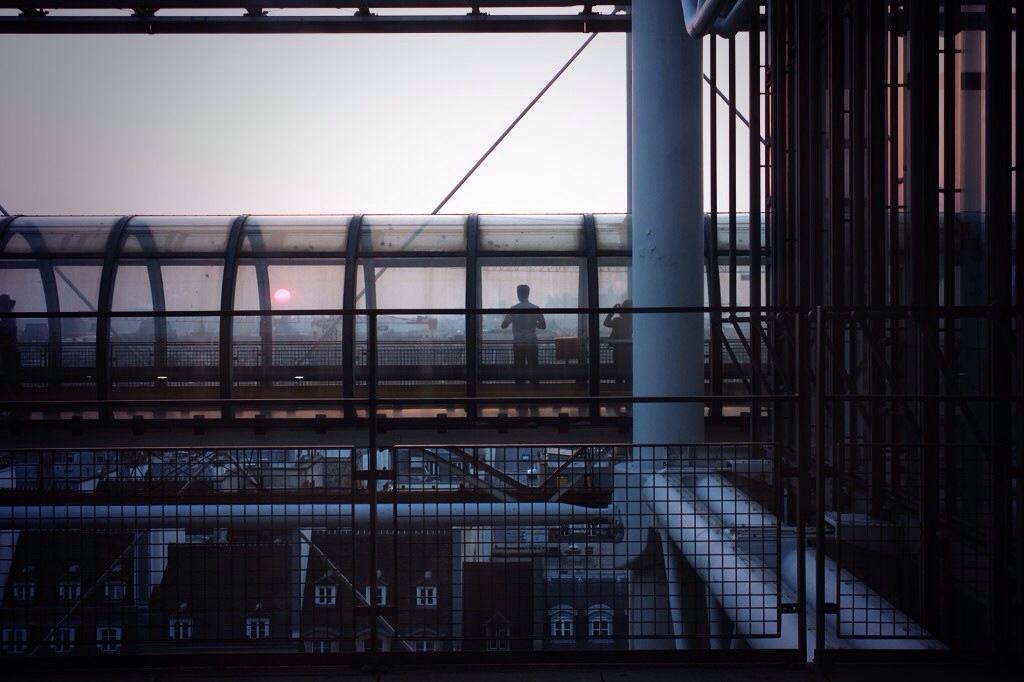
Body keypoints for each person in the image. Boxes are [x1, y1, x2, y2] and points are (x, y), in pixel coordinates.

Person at [501, 284, 546, 385]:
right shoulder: (536, 308)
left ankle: (519, 388)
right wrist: (534, 323)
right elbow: (543, 326)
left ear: (518, 294)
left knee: (519, 367)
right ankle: (535, 389)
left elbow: (504, 325)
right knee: (533, 367)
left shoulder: (513, 309)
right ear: (528, 293)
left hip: (518, 342)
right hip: (532, 342)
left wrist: (505, 316)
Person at [603, 298, 632, 385]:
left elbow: (606, 323)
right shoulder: (633, 321)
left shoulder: (617, 321)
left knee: (617, 372)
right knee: (628, 372)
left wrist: (612, 311)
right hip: (629, 349)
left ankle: (618, 389)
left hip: (617, 349)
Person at [0, 293, 19, 393]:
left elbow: (4, 335)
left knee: (8, 373)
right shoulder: (11, 318)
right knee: (10, 374)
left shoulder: (5, 319)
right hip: (12, 350)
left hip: (8, 351)